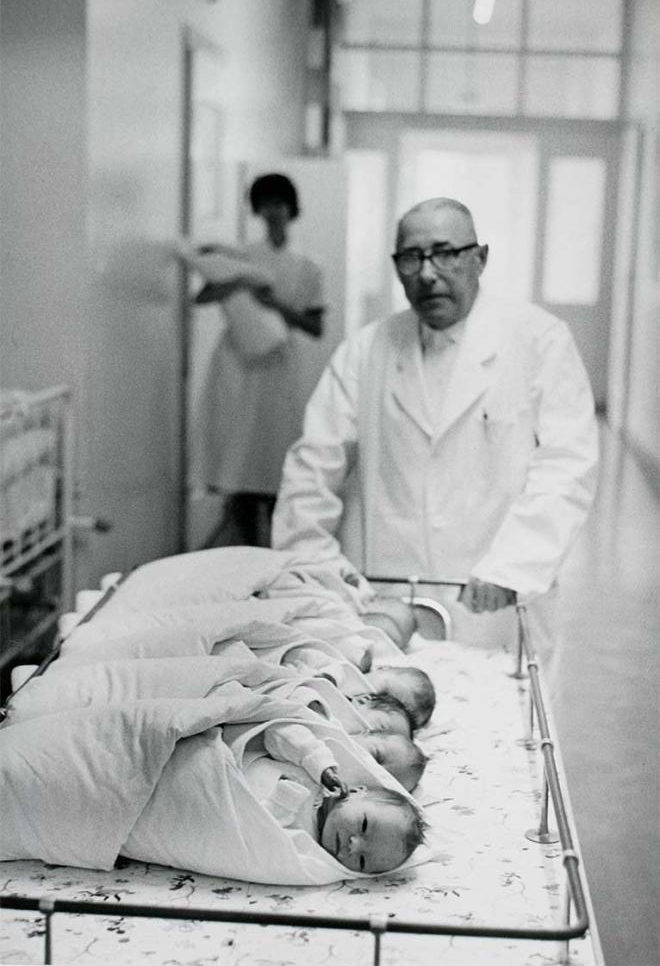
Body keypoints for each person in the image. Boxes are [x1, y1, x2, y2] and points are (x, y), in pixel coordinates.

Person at [272, 196, 599, 674]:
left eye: (446, 253)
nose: (427, 273)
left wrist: (514, 565)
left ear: (479, 258)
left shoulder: (539, 340)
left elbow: (568, 464)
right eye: (411, 257)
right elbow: (312, 469)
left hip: (494, 604)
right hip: (383, 604)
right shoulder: (366, 351)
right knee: (384, 730)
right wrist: (317, 566)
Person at [192, 173, 324, 547]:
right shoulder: (244, 256)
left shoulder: (307, 264)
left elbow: (315, 325)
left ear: (291, 208)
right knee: (240, 458)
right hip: (238, 365)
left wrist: (277, 304)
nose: (273, 212)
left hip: (281, 366)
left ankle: (278, 549)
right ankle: (245, 542)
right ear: (257, 209)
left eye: (279, 204)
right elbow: (202, 297)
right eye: (265, 204)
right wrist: (236, 282)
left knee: (276, 457)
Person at [244, 717, 427, 873]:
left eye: (362, 861)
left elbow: (257, 837)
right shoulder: (321, 771)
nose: (354, 845)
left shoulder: (307, 844)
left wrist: (285, 800)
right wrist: (316, 760)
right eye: (363, 825)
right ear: (355, 792)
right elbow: (277, 733)